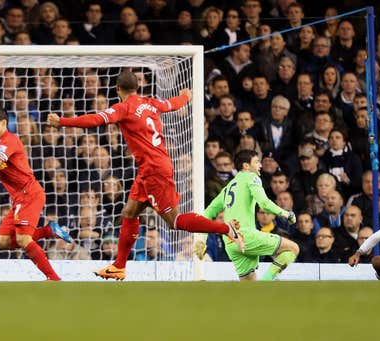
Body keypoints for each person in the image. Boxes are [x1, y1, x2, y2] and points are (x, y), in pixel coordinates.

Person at [47, 71, 241, 280]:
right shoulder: (151, 103)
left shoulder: (123, 108)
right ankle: (119, 266)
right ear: (137, 87)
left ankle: (226, 228)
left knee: (174, 221)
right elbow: (171, 104)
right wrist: (186, 96)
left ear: (116, 89)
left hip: (155, 171)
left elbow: (96, 119)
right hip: (149, 170)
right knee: (129, 213)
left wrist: (62, 122)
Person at [0, 108, 71, 281]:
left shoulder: (9, 140)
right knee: (2, 241)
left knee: (24, 240)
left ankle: (53, 278)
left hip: (30, 193)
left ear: (4, 123)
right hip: (18, 198)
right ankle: (48, 230)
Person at [201, 150, 300, 281]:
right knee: (293, 248)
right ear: (246, 166)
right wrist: (286, 214)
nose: (260, 165)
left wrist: (202, 240)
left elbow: (207, 213)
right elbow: (264, 203)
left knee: (249, 284)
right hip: (245, 235)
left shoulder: (228, 187)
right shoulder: (251, 177)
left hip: (231, 242)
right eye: (257, 161)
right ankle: (266, 282)